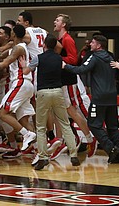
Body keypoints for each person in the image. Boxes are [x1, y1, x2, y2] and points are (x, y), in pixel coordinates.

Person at [63, 34, 119, 163]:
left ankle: (111, 149)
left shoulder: (94, 57)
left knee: (93, 124)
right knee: (112, 127)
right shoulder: (110, 56)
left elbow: (82, 69)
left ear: (98, 45)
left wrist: (65, 66)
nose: (90, 44)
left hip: (99, 97)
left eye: (92, 42)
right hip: (112, 95)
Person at [20, 34, 81, 170]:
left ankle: (42, 157)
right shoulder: (59, 59)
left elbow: (26, 72)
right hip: (58, 92)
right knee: (65, 124)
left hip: (43, 93)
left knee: (41, 127)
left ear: (44, 45)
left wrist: (24, 65)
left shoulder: (38, 58)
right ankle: (73, 154)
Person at [0, 24, 37, 153]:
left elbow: (3, 64)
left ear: (14, 34)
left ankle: (26, 134)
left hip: (20, 82)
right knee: (23, 119)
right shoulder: (15, 48)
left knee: (2, 113)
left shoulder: (19, 48)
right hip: (25, 85)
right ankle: (38, 150)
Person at [53, 14, 97, 160]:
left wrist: (56, 59)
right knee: (65, 111)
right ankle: (74, 138)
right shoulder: (60, 39)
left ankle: (90, 138)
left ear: (64, 25)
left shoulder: (67, 39)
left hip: (69, 79)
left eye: (57, 20)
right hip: (62, 79)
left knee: (72, 109)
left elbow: (73, 59)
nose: (55, 22)